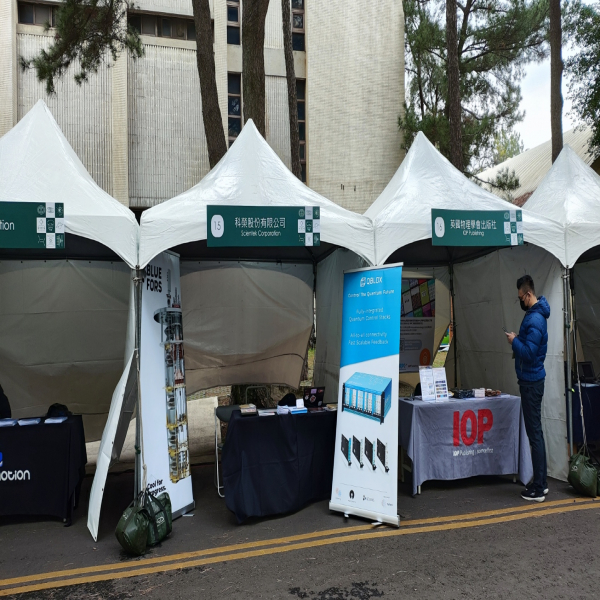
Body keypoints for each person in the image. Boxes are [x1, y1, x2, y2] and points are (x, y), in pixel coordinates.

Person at [505, 275, 550, 502]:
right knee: (536, 433)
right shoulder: (535, 316)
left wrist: (514, 341)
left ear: (528, 294)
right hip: (532, 380)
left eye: (521, 297)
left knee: (534, 435)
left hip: (531, 382)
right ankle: (541, 481)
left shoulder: (535, 320)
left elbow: (530, 353)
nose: (520, 301)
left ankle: (539, 487)